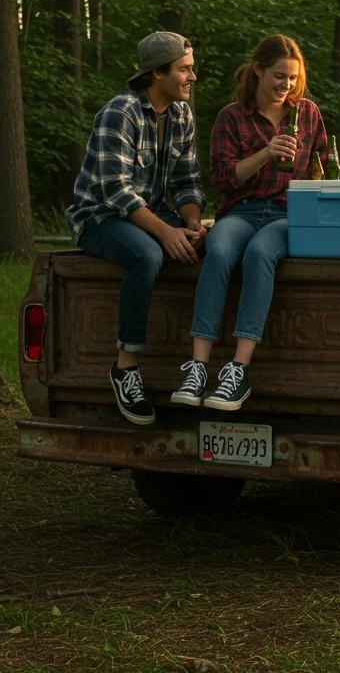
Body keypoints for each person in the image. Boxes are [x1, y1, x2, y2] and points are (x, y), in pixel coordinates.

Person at [171, 35, 327, 411]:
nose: (285, 85)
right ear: (257, 70)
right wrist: (266, 153)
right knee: (220, 250)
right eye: (278, 76)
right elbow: (224, 179)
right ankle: (197, 368)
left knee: (260, 254)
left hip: (288, 213)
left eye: (292, 78)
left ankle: (238, 370)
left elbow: (322, 166)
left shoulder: (306, 113)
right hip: (241, 210)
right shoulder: (232, 116)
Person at [66, 31, 207, 427]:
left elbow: (187, 180)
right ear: (157, 73)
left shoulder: (181, 114)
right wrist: (166, 233)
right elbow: (116, 192)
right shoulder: (120, 112)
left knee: (213, 241)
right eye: (185, 70)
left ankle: (200, 361)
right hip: (99, 217)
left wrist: (192, 221)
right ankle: (126, 367)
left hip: (153, 213)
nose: (191, 78)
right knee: (145, 255)